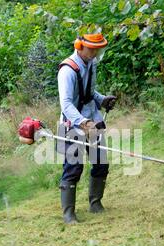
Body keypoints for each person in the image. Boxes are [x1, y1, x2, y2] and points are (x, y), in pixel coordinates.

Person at [57, 33, 117, 224]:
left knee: (101, 163)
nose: (96, 52)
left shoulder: (91, 63)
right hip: (72, 125)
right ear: (79, 46)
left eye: (98, 49)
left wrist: (101, 99)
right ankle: (68, 214)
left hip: (93, 119)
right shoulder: (67, 70)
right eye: (92, 48)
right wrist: (83, 122)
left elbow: (87, 93)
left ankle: (95, 203)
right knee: (73, 167)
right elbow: (66, 104)